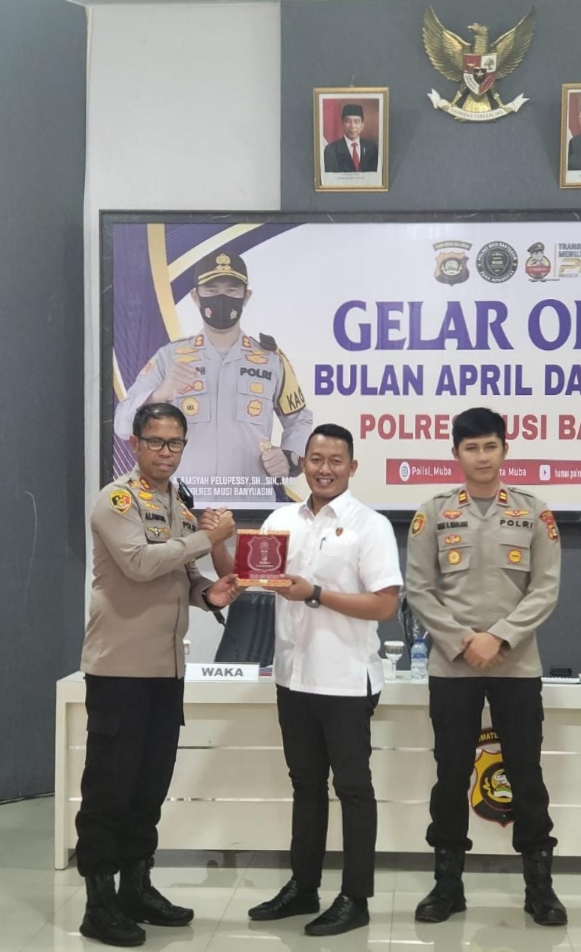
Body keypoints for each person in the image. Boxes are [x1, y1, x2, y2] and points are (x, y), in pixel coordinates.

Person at [202, 424, 402, 936]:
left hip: (346, 680)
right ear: (303, 463)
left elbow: (385, 605)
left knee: (353, 789)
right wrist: (220, 544)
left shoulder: (371, 525)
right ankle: (304, 887)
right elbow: (244, 580)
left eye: (335, 460)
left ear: (352, 467)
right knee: (306, 786)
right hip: (293, 676)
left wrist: (315, 593)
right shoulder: (282, 519)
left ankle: (355, 897)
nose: (324, 469)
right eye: (315, 459)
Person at [75, 403, 238, 948]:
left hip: (166, 671)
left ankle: (136, 889)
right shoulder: (116, 500)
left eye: (175, 443)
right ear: (135, 443)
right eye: (155, 441)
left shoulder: (179, 503)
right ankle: (99, 904)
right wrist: (209, 538)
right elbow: (141, 564)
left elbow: (182, 576)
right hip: (119, 669)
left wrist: (210, 594)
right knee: (110, 787)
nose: (165, 452)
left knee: (149, 786)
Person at [405, 407, 566, 928]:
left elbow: (545, 588)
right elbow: (419, 589)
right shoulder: (432, 513)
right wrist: (462, 640)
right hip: (453, 666)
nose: (481, 456)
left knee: (526, 773)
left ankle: (539, 888)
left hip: (515, 664)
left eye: (490, 446)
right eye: (471, 447)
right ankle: (447, 886)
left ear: (504, 450)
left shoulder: (533, 512)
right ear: (456, 453)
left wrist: (499, 636)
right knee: (450, 774)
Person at [113, 249, 313, 503]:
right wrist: (159, 394)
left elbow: (300, 419)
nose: (221, 297)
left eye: (232, 290)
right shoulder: (170, 357)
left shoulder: (271, 359)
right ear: (195, 296)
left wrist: (289, 457)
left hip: (252, 503)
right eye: (211, 289)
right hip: (185, 504)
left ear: (246, 296)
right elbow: (122, 424)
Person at [323, 104, 379, 173]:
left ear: (362, 126)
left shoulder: (372, 149)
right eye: (348, 121)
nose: (352, 126)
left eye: (357, 121)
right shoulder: (331, 150)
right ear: (342, 124)